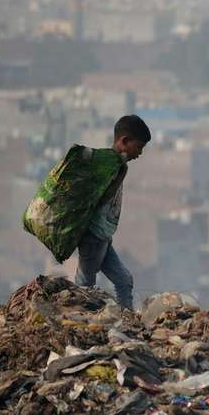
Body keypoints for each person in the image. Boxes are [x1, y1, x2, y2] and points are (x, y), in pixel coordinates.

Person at [74, 115, 151, 309]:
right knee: (84, 287)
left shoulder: (116, 165)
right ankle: (79, 318)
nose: (140, 153)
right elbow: (98, 199)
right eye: (138, 147)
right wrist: (120, 174)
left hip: (103, 236)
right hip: (92, 237)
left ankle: (127, 318)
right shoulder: (108, 165)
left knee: (124, 280)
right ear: (124, 141)